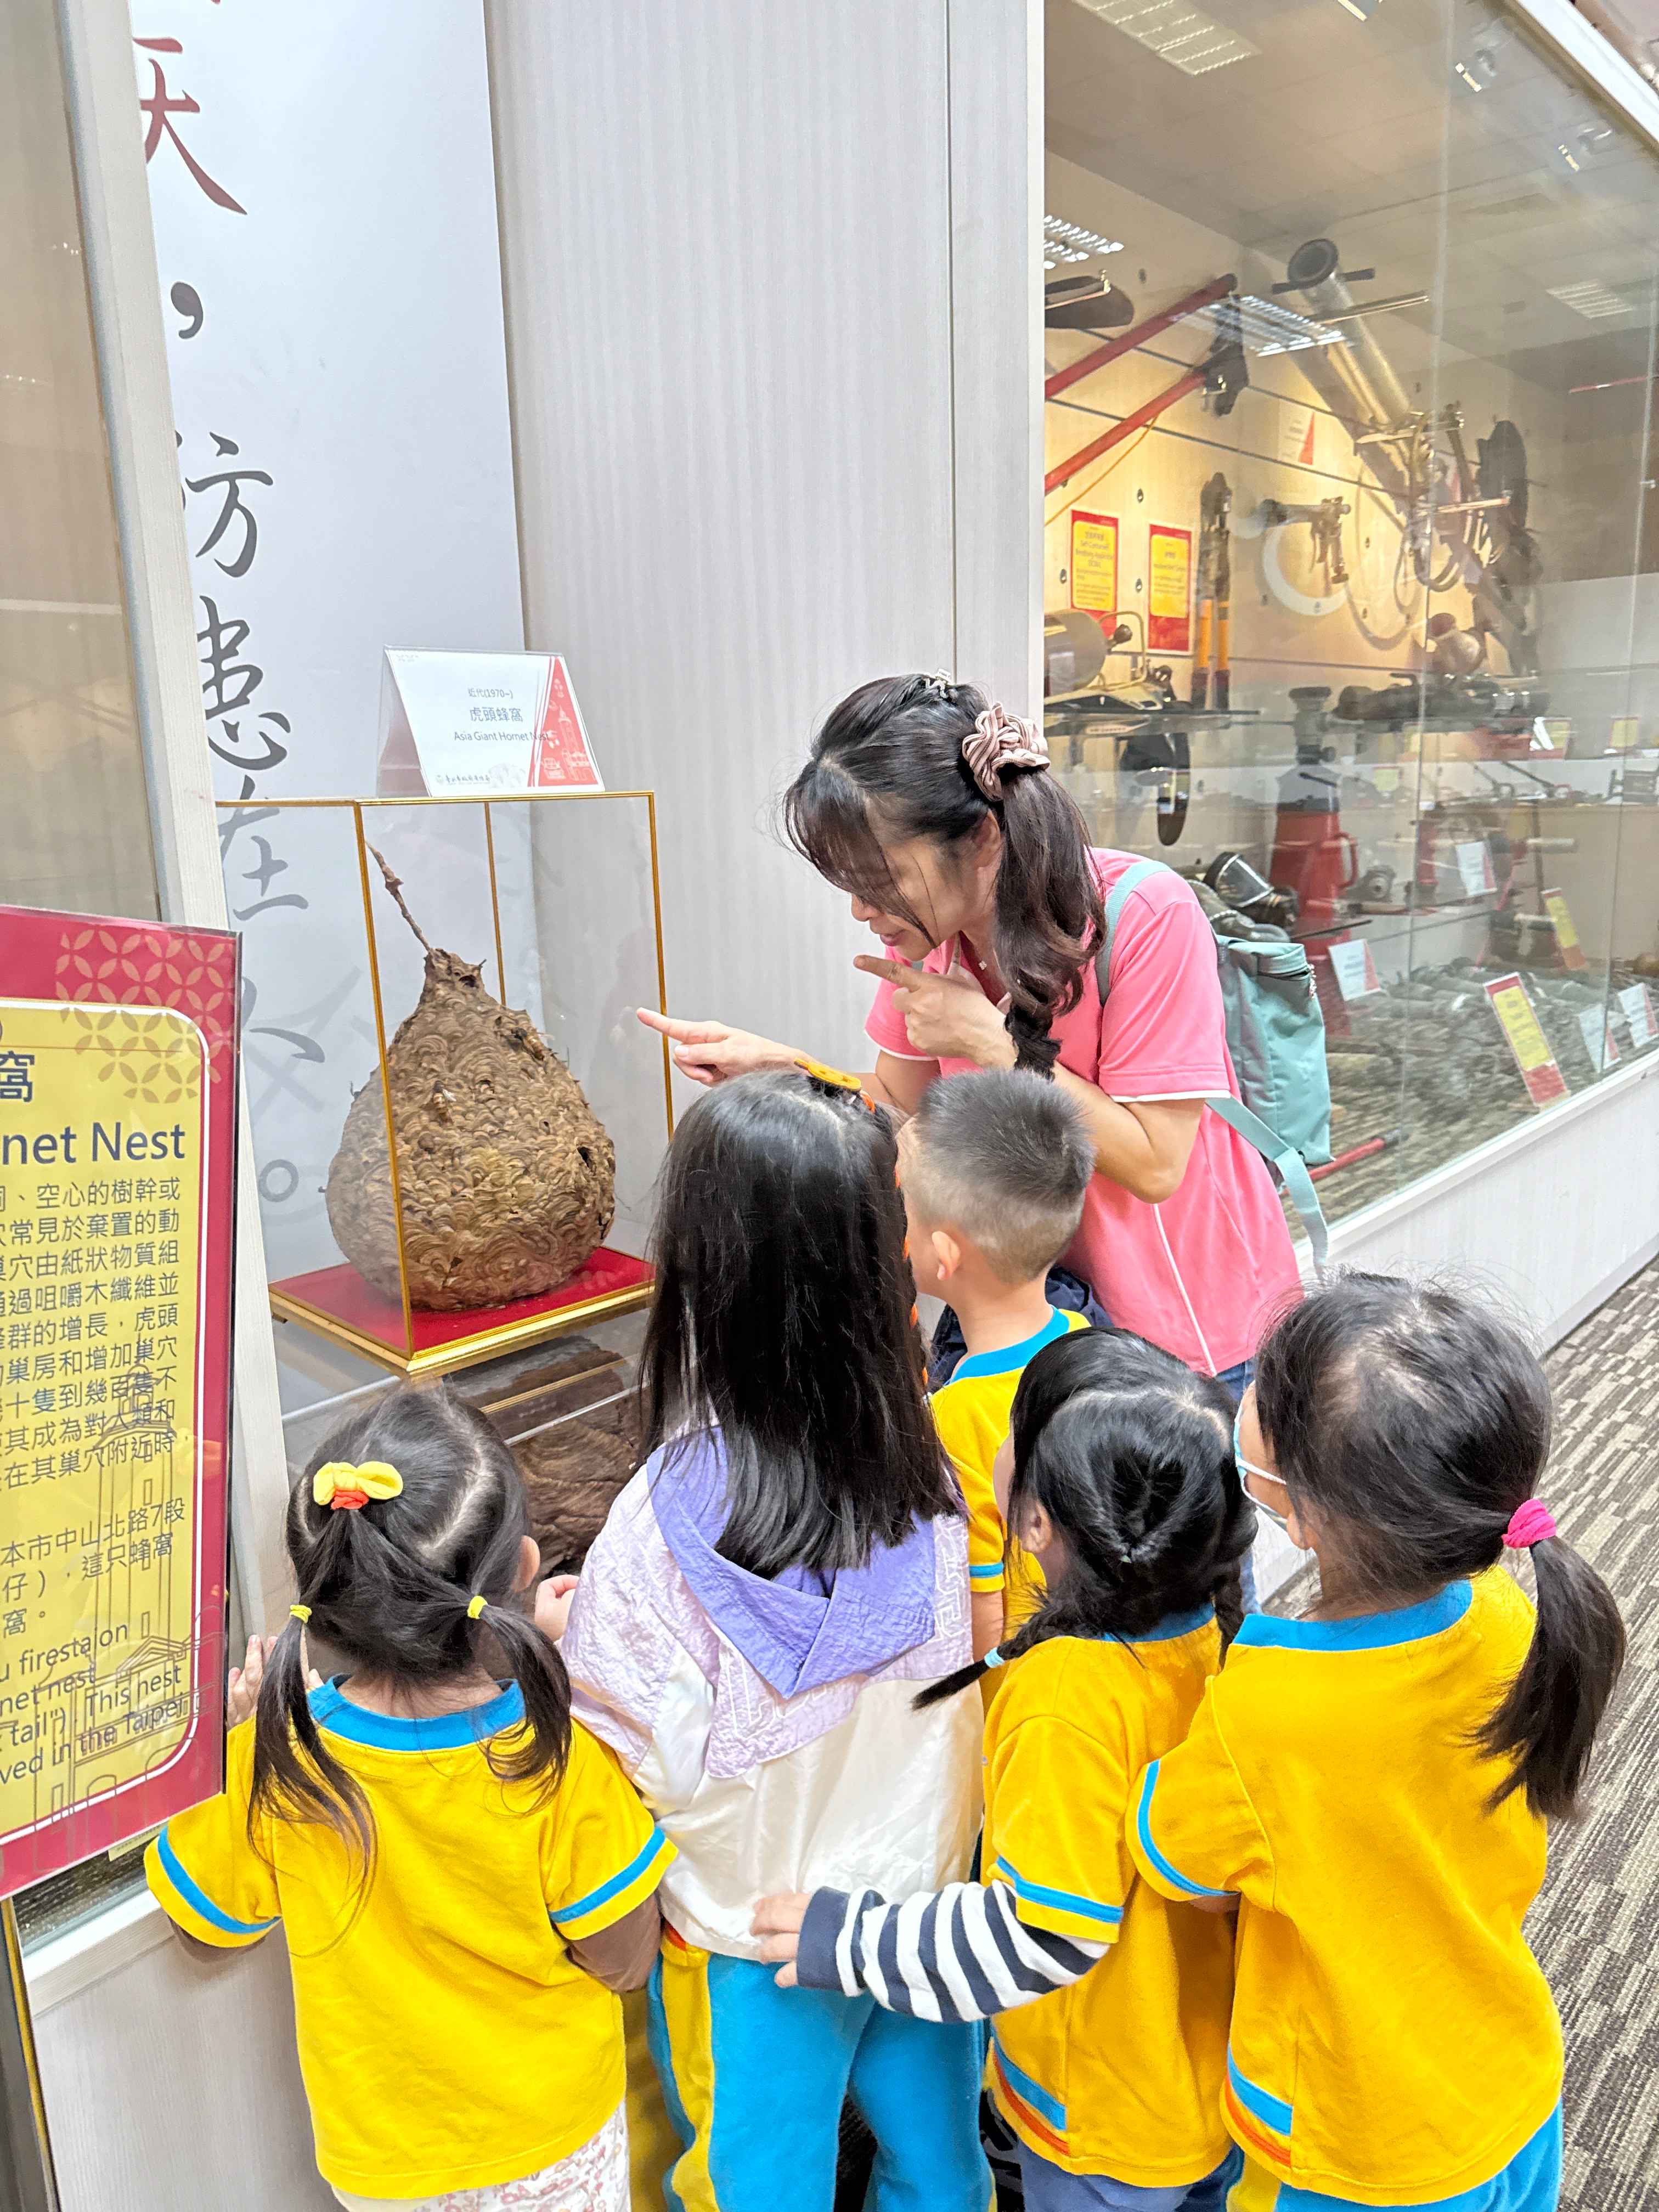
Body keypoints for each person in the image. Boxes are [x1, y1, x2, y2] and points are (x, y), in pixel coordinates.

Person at [561, 1067, 988, 2212]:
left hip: (747, 1945)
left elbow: (633, 1765)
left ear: (705, 1274)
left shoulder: (651, 1531)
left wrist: (561, 1637)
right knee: (940, 2170)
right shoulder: (936, 1470)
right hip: (917, 1908)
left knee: (754, 2188)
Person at [637, 672, 1302, 1393]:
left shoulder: (1144, 914)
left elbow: (1154, 1166)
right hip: (1045, 1317)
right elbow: (900, 1101)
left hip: (1190, 1330)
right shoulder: (929, 937)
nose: (861, 908)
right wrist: (786, 1070)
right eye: (848, 883)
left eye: (881, 877)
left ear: (982, 836)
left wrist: (991, 1043)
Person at [1129, 1274, 1627, 2212]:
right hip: (1507, 2083)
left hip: (1355, 2147)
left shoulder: (1263, 1706)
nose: (1246, 1394)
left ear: (1305, 1515)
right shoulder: (1509, 1612)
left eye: (1267, 1391)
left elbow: (1177, 1866)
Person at [753, 1326, 1255, 2212]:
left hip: (1104, 2120)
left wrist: (855, 1940)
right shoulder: (1218, 1632)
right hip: (1205, 2080)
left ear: (1035, 1522)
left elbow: (1044, 1933)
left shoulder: (1066, 1694)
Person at [145, 1385, 673, 2212]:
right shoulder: (557, 1759)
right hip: (550, 2142)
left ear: (325, 1589)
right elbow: (627, 1962)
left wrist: (239, 1744)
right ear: (524, 1567)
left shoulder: (275, 1758)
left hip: (381, 2163)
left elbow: (204, 1931)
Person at [902, 1066, 1095, 1655]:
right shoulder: (1085, 1340)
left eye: (897, 1201)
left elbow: (982, 1599)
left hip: (1024, 1677)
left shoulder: (958, 1416)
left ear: (943, 1254)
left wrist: (984, 1698)